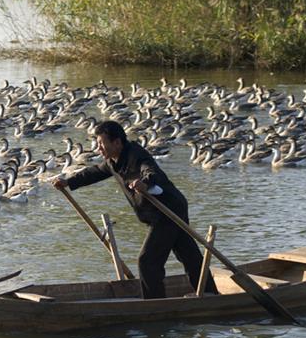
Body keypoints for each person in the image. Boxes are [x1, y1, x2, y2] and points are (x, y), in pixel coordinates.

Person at [53, 120, 218, 299]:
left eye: (102, 143)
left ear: (117, 142)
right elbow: (95, 172)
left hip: (167, 212)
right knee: (188, 255)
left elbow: (150, 171)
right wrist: (68, 182)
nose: (98, 148)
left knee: (148, 261)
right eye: (98, 143)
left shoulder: (136, 154)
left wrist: (144, 183)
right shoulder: (112, 161)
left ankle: (156, 305)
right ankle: (210, 294)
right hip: (166, 210)